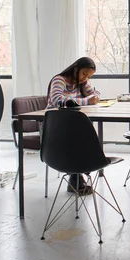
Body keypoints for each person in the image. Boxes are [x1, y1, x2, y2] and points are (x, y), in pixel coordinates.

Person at [46, 57, 101, 194]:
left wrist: (94, 96)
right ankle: (78, 175)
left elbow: (95, 94)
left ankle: (78, 175)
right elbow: (58, 100)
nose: (85, 78)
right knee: (80, 136)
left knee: (84, 133)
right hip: (53, 127)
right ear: (75, 69)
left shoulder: (82, 83)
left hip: (70, 126)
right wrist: (87, 101)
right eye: (84, 74)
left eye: (88, 76)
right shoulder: (59, 80)